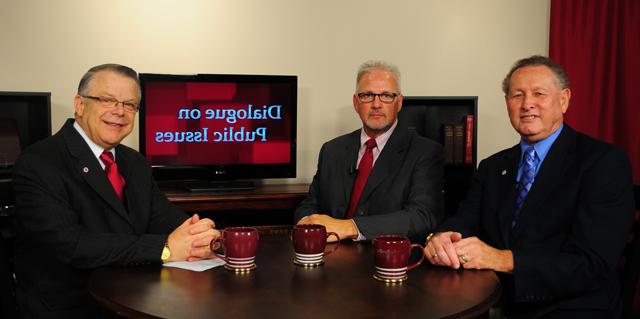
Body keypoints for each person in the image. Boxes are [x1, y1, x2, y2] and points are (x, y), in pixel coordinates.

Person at [424, 55, 635, 318]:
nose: (527, 104)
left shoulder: (603, 162)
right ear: (507, 103)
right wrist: (441, 238)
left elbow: (592, 264)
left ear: (564, 99)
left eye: (539, 94)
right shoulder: (493, 166)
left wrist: (501, 258)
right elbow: (465, 219)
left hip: (574, 307)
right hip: (500, 302)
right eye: (517, 96)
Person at [12, 64, 221, 318]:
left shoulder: (135, 162)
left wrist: (197, 234)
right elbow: (72, 244)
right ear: (80, 104)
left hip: (134, 296)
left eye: (129, 104)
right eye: (107, 100)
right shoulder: (39, 162)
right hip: (71, 306)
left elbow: (159, 213)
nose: (119, 112)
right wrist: (164, 247)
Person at [295, 60, 444, 241]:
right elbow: (311, 204)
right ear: (356, 103)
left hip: (385, 259)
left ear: (399, 103)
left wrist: (349, 227)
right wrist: (307, 223)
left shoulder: (425, 152)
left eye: (386, 96)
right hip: (330, 257)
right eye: (367, 95)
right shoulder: (332, 150)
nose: (376, 104)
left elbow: (421, 216)